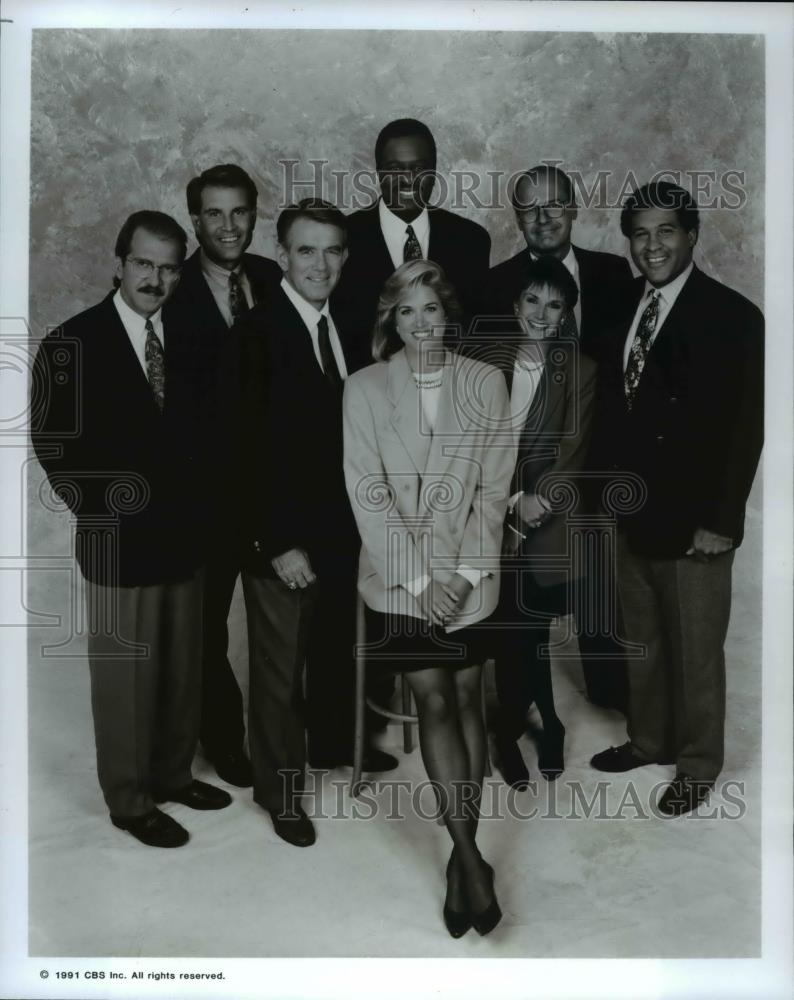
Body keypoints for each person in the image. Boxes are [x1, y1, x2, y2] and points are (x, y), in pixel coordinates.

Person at [31, 211, 231, 848]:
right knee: (126, 677)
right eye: (144, 263)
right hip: (119, 539)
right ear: (119, 264)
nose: (156, 278)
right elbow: (52, 440)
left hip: (186, 535)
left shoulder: (194, 335)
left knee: (180, 669)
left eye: (169, 267)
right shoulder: (74, 340)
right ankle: (129, 798)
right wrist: (100, 509)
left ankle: (173, 774)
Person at [343, 260, 514, 937]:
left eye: (431, 310)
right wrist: (420, 582)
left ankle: (459, 861)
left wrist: (467, 575)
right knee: (435, 699)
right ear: (391, 318)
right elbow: (368, 492)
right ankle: (471, 860)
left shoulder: (485, 382)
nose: (421, 324)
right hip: (399, 579)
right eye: (406, 311)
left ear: (449, 314)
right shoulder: (363, 389)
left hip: (471, 577)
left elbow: (495, 489)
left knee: (470, 699)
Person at [588, 182, 764, 816]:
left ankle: (696, 763)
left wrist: (721, 522)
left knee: (695, 647)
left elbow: (746, 431)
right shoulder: (624, 309)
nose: (652, 244)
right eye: (640, 233)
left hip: (695, 521)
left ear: (692, 234)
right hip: (630, 511)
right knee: (644, 639)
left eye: (666, 231)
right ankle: (649, 738)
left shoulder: (734, 317)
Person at [233, 198, 397, 849]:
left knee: (332, 648)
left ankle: (332, 744)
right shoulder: (255, 333)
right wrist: (275, 543)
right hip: (284, 541)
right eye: (306, 250)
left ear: (346, 257)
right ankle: (279, 792)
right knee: (278, 672)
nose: (320, 264)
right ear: (282, 255)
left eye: (332, 250)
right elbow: (239, 450)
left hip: (340, 529)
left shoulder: (350, 326)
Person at [487, 163, 634, 713]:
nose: (543, 217)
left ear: (574, 208)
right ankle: (526, 709)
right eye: (529, 208)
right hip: (530, 478)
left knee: (603, 592)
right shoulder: (498, 281)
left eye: (553, 204)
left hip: (604, 454)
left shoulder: (614, 273)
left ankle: (613, 695)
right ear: (517, 217)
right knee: (527, 601)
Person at [170, 163, 282, 788]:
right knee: (208, 629)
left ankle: (291, 734)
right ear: (195, 221)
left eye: (240, 211)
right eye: (215, 213)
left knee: (278, 625)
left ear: (255, 213)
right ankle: (225, 740)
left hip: (268, 492)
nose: (230, 225)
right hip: (206, 498)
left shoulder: (271, 276)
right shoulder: (172, 288)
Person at [470, 256, 598, 787]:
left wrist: (528, 508)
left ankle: (520, 724)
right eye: (532, 300)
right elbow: (469, 446)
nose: (541, 314)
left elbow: (573, 453)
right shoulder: (481, 361)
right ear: (514, 304)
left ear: (567, 313)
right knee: (507, 626)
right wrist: (505, 503)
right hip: (488, 511)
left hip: (548, 518)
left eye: (554, 304)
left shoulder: (580, 370)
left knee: (529, 624)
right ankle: (536, 723)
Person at [332, 117, 491, 346]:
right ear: (378, 173)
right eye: (394, 169)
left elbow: (473, 334)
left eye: (418, 168)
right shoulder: (344, 237)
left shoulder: (471, 240)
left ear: (434, 172)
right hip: (366, 379)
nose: (407, 180)